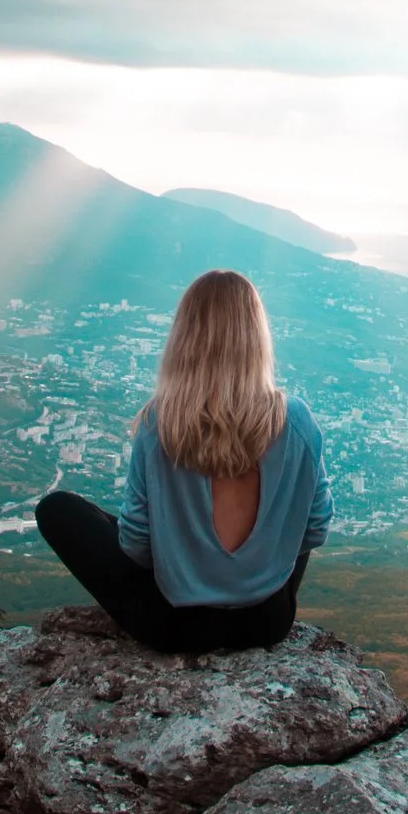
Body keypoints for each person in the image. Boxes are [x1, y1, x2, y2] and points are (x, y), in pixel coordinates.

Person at [36, 269, 329, 653]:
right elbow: (316, 528)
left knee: (58, 509)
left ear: (184, 337)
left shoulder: (159, 423)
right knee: (295, 498)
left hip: (173, 627)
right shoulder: (296, 420)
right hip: (267, 622)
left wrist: (182, 553)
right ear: (257, 337)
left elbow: (137, 546)